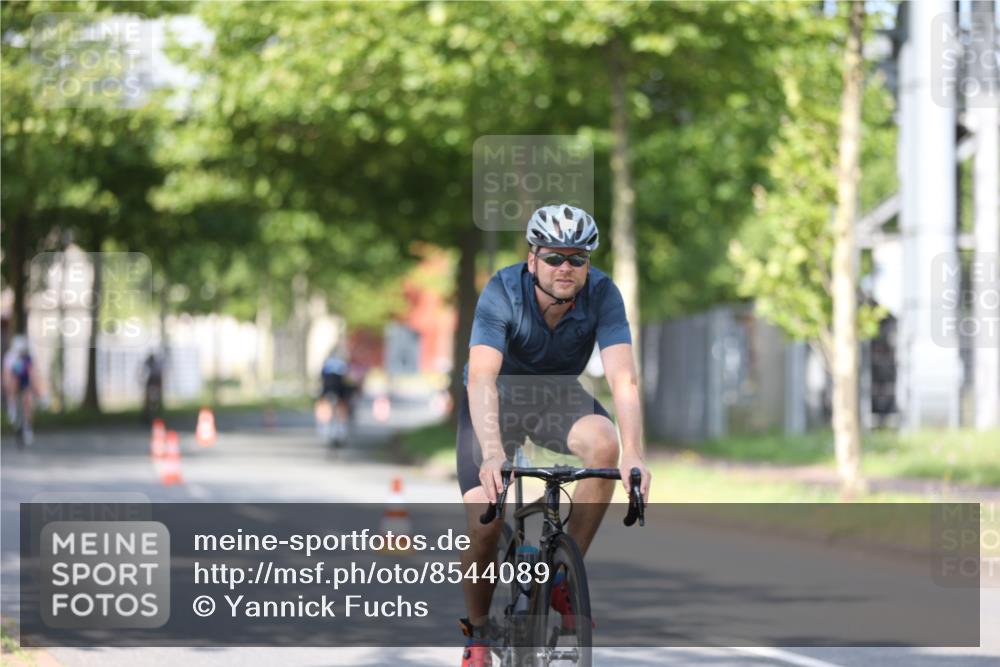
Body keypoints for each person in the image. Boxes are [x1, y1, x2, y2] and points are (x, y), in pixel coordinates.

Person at [456, 204, 651, 666]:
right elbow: (482, 379)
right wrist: (491, 454)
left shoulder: (602, 293)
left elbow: (624, 380)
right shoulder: (502, 291)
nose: (566, 267)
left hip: (557, 396)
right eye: (554, 257)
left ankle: (561, 575)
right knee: (483, 523)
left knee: (605, 444)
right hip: (496, 401)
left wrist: (635, 453)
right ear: (532, 259)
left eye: (578, 259)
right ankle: (477, 634)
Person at [3, 335, 44, 446]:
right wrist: (9, 389)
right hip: (15, 377)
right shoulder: (10, 357)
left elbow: (33, 373)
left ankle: (27, 426)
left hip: (25, 379)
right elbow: (7, 375)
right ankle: (12, 406)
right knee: (12, 382)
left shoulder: (29, 357)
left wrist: (36, 390)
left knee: (27, 399)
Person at [319, 349, 355, 443]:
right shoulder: (342, 363)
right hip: (339, 387)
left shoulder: (327, 362)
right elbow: (347, 376)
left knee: (323, 403)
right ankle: (342, 427)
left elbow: (321, 376)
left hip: (327, 386)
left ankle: (323, 426)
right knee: (342, 404)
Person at [141, 350, 165, 423]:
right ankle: (150, 417)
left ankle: (154, 417)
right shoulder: (150, 367)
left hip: (154, 384)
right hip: (152, 384)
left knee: (154, 403)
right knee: (150, 403)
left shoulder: (155, 367)